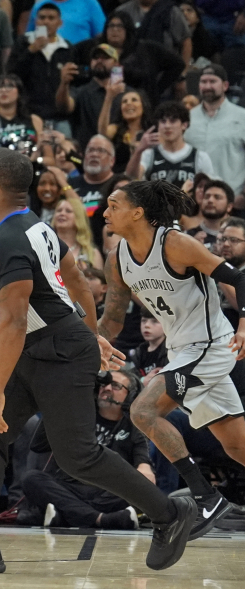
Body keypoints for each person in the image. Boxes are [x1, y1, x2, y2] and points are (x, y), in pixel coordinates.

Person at [0, 149, 195, 574]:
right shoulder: (39, 228)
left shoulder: (8, 241)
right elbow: (77, 281)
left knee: (77, 455)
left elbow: (14, 321)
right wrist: (91, 334)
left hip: (52, 349)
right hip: (43, 344)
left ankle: (169, 514)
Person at [101, 180, 245, 536]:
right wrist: (92, 341)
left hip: (211, 346)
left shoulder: (176, 244)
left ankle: (206, 497)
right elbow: (113, 318)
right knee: (236, 445)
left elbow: (239, 280)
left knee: (142, 411)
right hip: (182, 350)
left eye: (114, 205)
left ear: (138, 213)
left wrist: (243, 325)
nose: (105, 212)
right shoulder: (117, 258)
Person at [20, 366, 152, 529]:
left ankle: (67, 514)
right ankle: (101, 519)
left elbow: (143, 462)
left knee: (140, 486)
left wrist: (144, 471)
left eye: (116, 386)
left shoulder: (134, 426)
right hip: (71, 486)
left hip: (109, 490)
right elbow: (38, 445)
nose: (107, 388)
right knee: (31, 479)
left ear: (130, 396)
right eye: (103, 384)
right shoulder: (80, 415)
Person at [187, 65, 245, 207]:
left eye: (212, 81)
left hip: (232, 202)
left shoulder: (242, 117)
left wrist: (244, 196)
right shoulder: (187, 118)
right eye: (203, 82)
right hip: (193, 203)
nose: (207, 86)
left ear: (225, 86)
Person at [126, 101, 215, 183]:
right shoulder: (149, 155)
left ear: (184, 125)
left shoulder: (200, 157)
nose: (167, 126)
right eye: (163, 121)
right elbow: (131, 177)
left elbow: (209, 188)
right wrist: (139, 150)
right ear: (158, 125)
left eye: (173, 121)